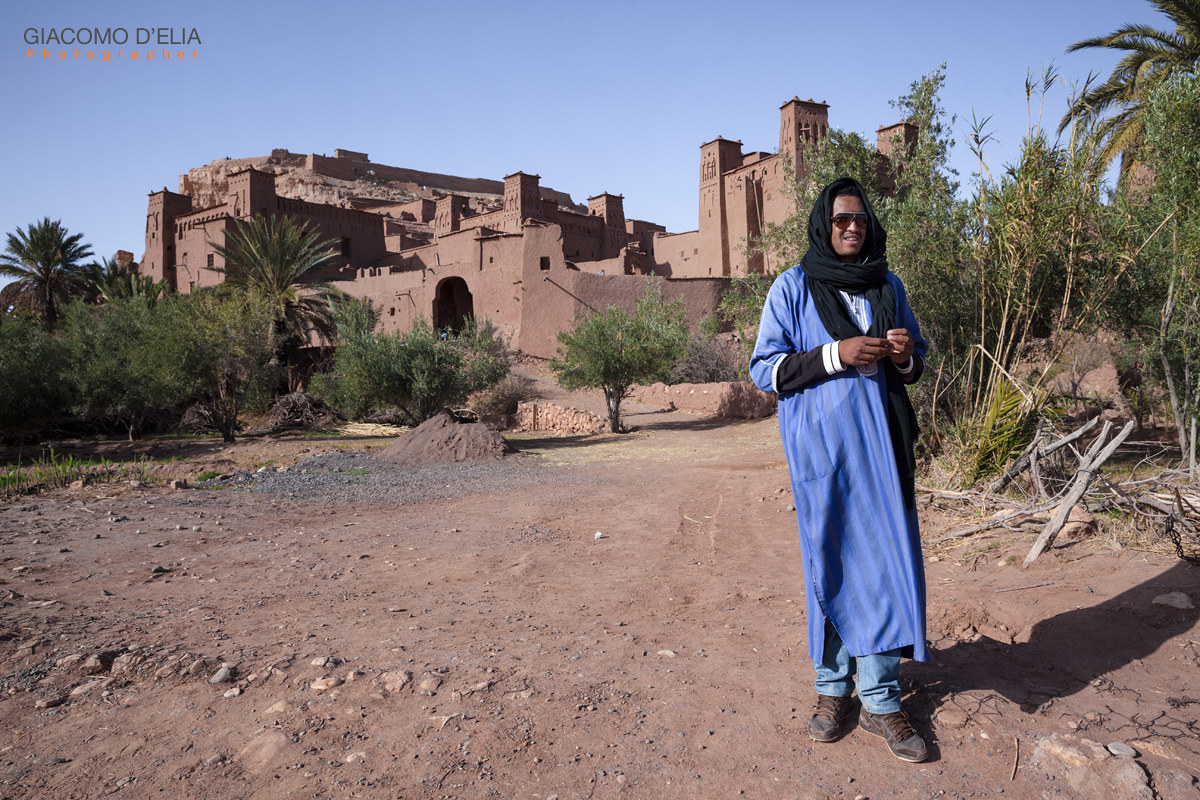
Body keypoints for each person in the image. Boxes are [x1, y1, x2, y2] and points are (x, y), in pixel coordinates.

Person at [749, 176, 930, 762]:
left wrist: (903, 357)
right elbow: (765, 370)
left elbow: (916, 363)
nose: (851, 228)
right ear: (823, 224)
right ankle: (833, 691)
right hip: (822, 456)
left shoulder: (888, 285)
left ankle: (879, 697)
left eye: (859, 220)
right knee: (827, 563)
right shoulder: (793, 287)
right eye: (840, 220)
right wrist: (837, 354)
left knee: (878, 567)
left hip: (881, 455)